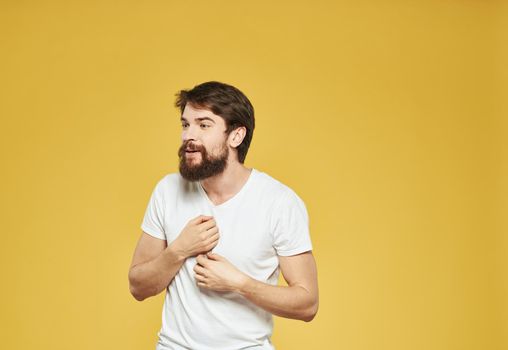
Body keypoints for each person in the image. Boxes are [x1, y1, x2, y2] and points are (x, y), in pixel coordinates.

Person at [128, 81, 319, 350]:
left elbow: (307, 303)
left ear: (236, 136)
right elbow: (138, 287)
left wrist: (239, 283)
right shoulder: (167, 191)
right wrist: (179, 250)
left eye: (203, 125)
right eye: (185, 125)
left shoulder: (279, 202)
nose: (188, 137)